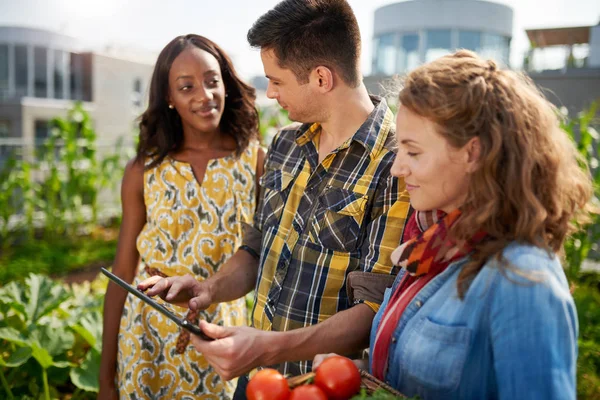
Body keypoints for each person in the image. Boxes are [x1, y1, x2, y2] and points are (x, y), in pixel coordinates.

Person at [139, 0, 411, 396]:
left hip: (321, 388)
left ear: (321, 78)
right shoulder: (285, 144)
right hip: (258, 380)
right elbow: (256, 248)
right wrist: (208, 288)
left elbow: (373, 311)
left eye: (277, 81)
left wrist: (264, 347)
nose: (269, 93)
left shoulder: (396, 164)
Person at [313, 50, 594, 400]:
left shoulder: (522, 281)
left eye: (413, 152)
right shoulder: (430, 245)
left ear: (472, 153)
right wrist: (358, 376)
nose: (397, 169)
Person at [98, 34, 264, 400]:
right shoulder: (143, 170)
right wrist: (105, 377)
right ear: (169, 99)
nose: (204, 95)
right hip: (147, 342)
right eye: (186, 87)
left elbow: (259, 254)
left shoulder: (254, 161)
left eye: (211, 81)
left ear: (225, 82)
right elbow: (123, 272)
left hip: (221, 338)